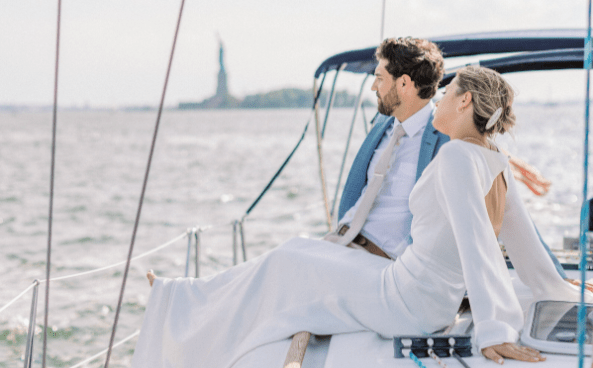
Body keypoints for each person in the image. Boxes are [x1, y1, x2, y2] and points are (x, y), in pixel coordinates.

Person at [131, 65, 586, 368]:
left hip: (408, 300)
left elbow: (478, 244)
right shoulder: (493, 159)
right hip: (413, 287)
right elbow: (525, 247)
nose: (440, 101)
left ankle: (178, 310)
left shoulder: (454, 159)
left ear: (465, 103)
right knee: (297, 253)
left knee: (287, 260)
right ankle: (183, 299)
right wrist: (558, 288)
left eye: (447, 93)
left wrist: (494, 329)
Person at [332, 37, 565, 278]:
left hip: (385, 266)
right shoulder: (383, 123)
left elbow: (512, 215)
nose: (373, 87)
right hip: (341, 244)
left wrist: (556, 277)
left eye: (379, 78)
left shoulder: (448, 135)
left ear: (403, 84)